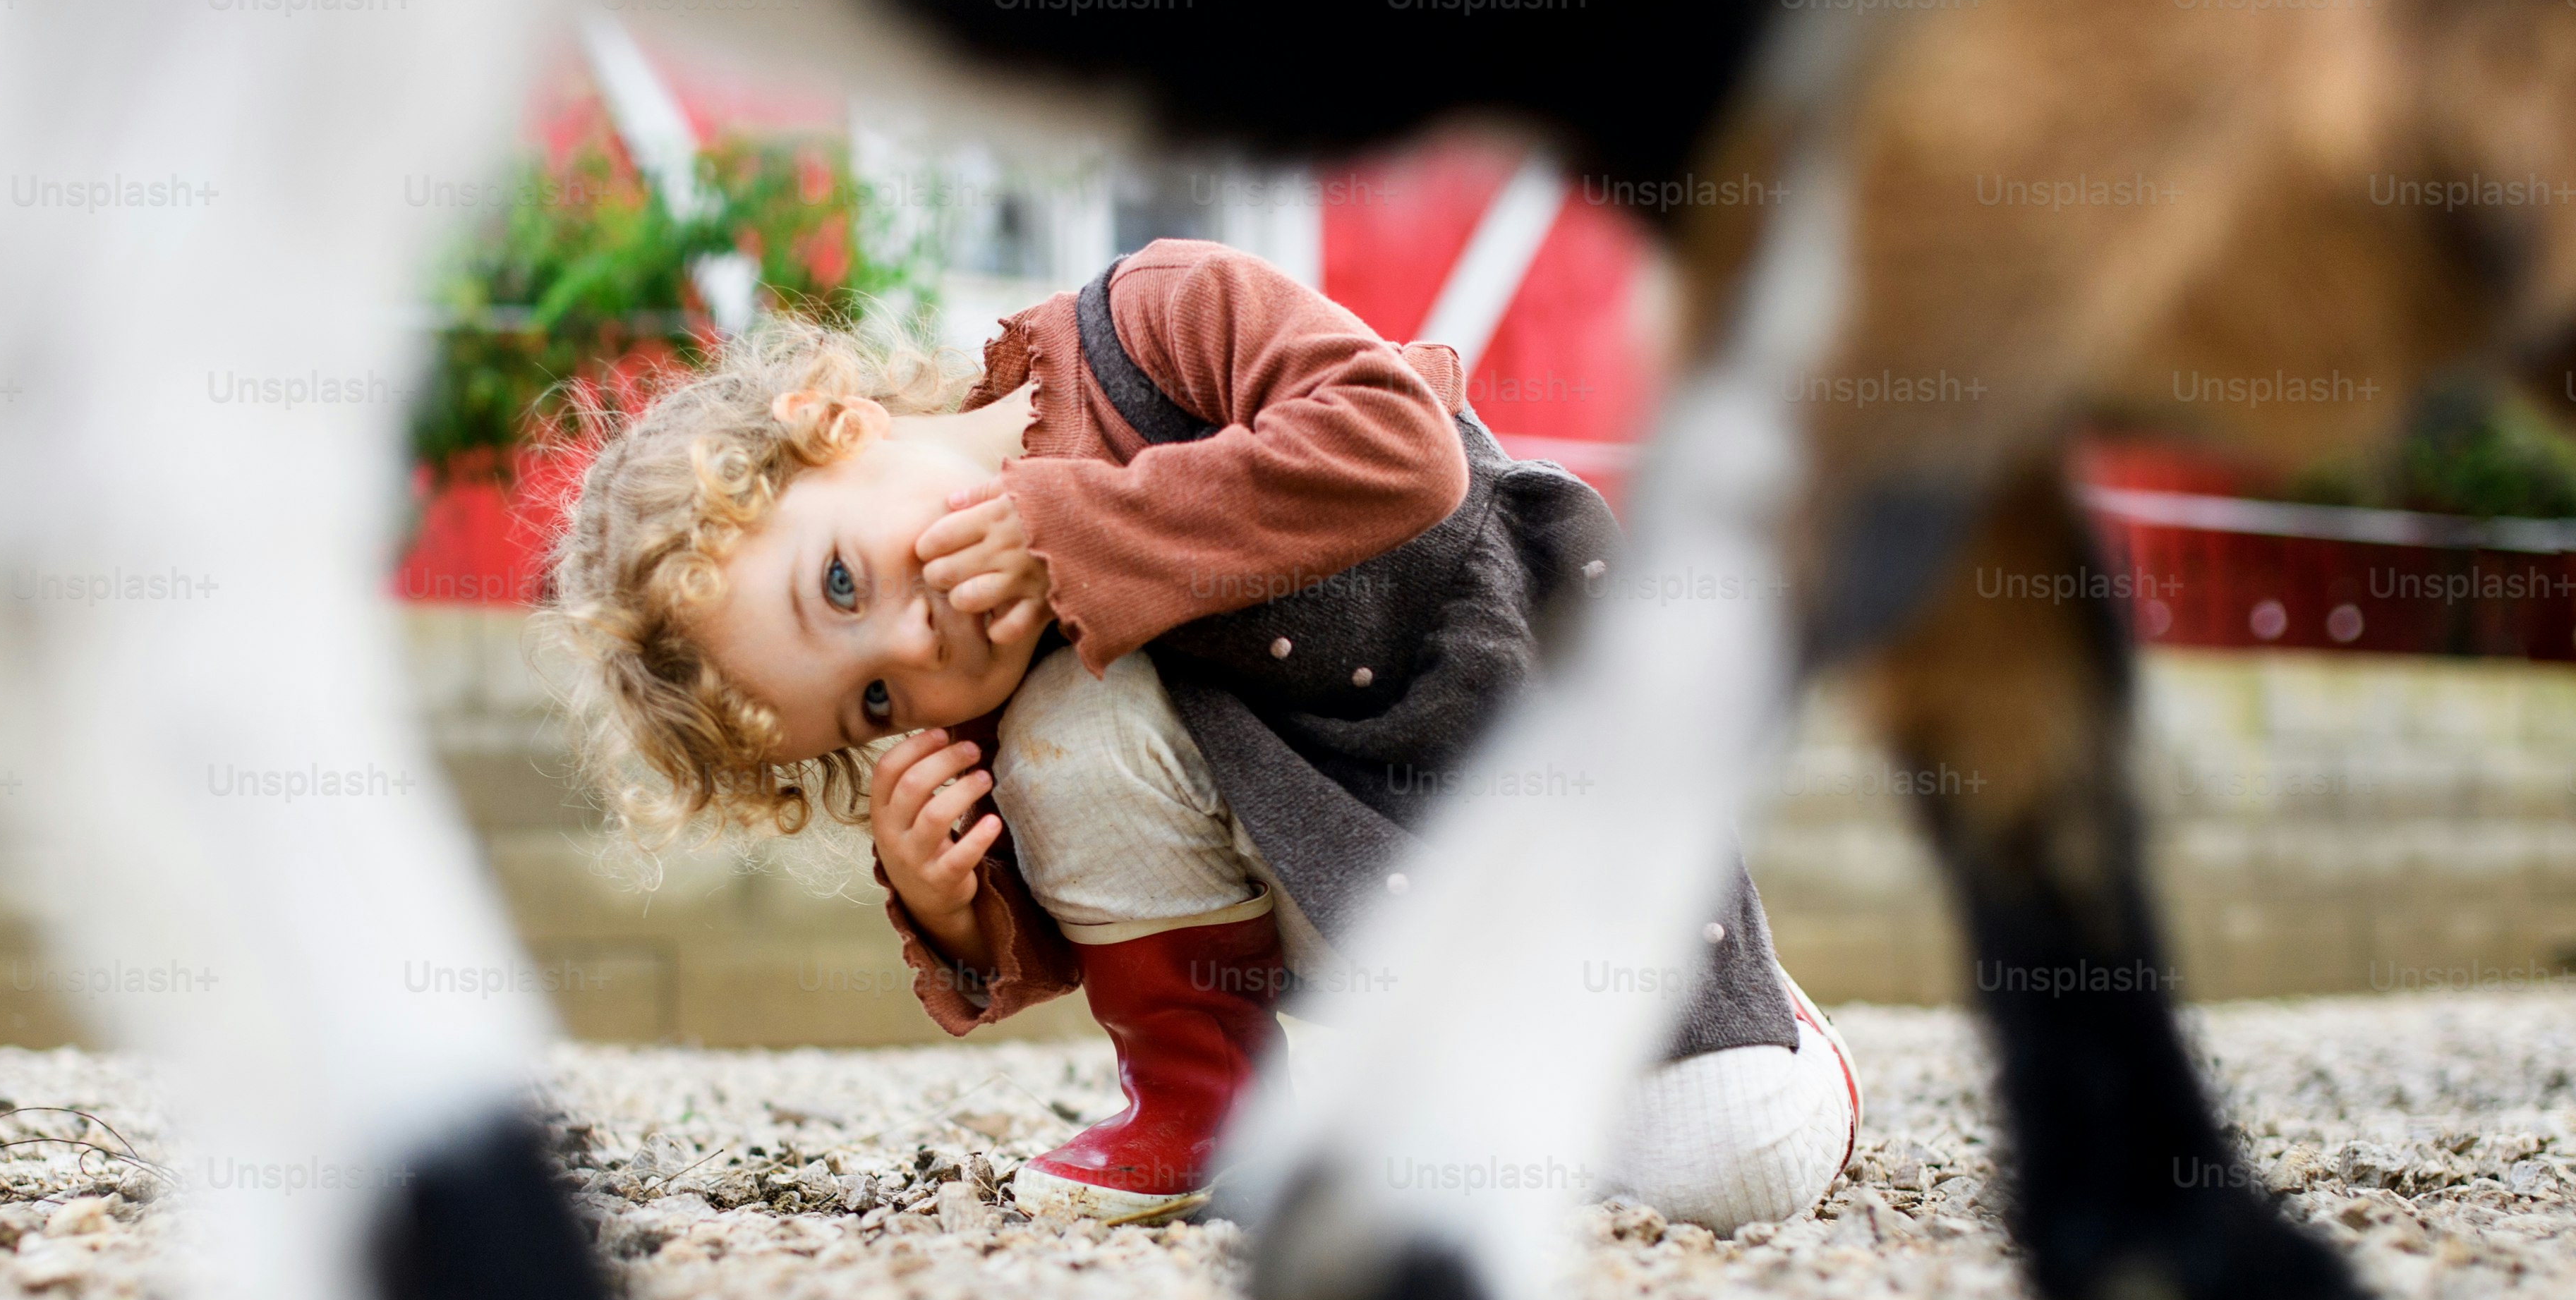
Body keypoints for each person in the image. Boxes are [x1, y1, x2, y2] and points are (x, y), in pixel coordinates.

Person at [546, 238, 1857, 1228]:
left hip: (1523, 766)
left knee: (1732, 1164)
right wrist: (951, 901)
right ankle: (1206, 1109)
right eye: (872, 706)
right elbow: (1113, 850)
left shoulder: (1157, 321)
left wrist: (1080, 525)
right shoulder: (1013, 680)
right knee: (1069, 724)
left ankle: (1775, 1041)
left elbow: (1403, 449)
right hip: (1361, 894)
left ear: (832, 426)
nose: (911, 643)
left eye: (840, 581)